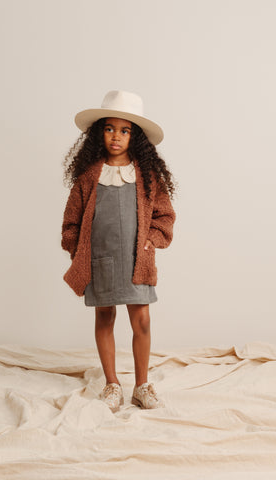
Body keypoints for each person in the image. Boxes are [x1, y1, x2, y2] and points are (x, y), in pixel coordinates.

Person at [61, 90, 176, 412]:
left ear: (135, 136)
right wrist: (77, 250)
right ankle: (112, 384)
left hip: (136, 259)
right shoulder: (88, 176)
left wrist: (152, 240)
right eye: (110, 128)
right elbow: (71, 220)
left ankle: (142, 385)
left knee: (141, 321)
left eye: (124, 130)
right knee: (104, 317)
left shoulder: (148, 176)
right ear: (100, 133)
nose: (116, 136)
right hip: (99, 258)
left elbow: (164, 215)